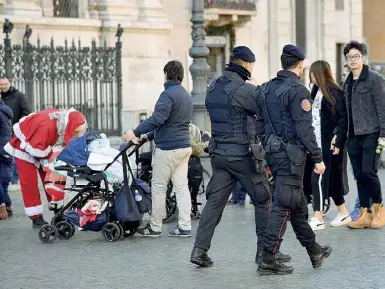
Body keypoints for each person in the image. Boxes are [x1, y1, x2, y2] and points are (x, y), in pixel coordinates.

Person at [189, 46, 290, 268]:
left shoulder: (213, 86)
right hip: (242, 154)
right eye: (252, 65)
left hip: (219, 154)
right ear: (246, 64)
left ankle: (199, 250)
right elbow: (265, 111)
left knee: (214, 203)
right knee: (263, 200)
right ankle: (265, 253)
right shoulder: (243, 89)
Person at [255, 44, 331, 275]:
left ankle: (314, 250)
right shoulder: (298, 91)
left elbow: (258, 123)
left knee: (296, 205)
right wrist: (318, 158)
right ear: (299, 65)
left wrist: (268, 145)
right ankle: (268, 257)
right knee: (283, 204)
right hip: (292, 157)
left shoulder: (265, 89)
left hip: (274, 154)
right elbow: (304, 129)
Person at [123, 60, 194, 237]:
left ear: (167, 74)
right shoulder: (185, 95)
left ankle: (155, 227)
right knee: (181, 187)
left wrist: (136, 132)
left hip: (168, 149)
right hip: (184, 147)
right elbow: (170, 122)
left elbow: (157, 119)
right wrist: (148, 136)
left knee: (159, 187)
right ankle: (185, 226)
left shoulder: (168, 95)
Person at [4, 108, 87, 228]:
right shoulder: (47, 127)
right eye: (76, 132)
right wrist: (51, 159)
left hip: (43, 146)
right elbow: (37, 148)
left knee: (53, 178)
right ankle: (36, 218)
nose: (77, 135)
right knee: (29, 182)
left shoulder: (64, 124)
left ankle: (58, 211)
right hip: (24, 147)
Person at [342, 41, 385, 229]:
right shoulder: (347, 83)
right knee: (359, 175)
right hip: (353, 136)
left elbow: (382, 107)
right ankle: (364, 213)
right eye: (349, 57)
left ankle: (379, 209)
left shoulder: (374, 79)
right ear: (346, 60)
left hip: (372, 133)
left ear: (363, 57)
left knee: (369, 172)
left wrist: (383, 134)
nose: (353, 60)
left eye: (356, 56)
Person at [306, 60, 350, 230]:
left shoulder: (335, 92)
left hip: (330, 144)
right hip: (317, 144)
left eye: (312, 72)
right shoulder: (315, 91)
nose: (309, 75)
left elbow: (343, 119)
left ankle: (318, 217)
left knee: (319, 177)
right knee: (330, 181)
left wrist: (337, 140)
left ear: (319, 73)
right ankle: (343, 213)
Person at [0, 77, 31, 190]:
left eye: (5, 83)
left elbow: (27, 111)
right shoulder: (1, 97)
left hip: (15, 131)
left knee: (13, 156)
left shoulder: (19, 96)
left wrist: (17, 126)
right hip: (3, 133)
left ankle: (13, 180)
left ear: (10, 83)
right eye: (1, 84)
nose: (3, 86)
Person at [0, 100, 13, 219]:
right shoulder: (5, 109)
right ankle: (7, 207)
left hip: (1, 148)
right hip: (6, 147)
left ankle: (3, 207)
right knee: (3, 182)